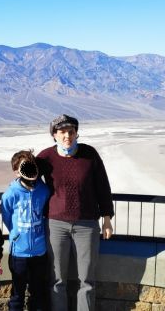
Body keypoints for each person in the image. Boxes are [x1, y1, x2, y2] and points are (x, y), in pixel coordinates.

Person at [37, 114, 114, 311]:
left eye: (71, 132)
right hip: (55, 224)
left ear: (76, 133)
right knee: (57, 279)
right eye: (62, 132)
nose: (67, 136)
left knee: (87, 280)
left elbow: (102, 187)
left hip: (86, 224)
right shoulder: (45, 157)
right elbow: (27, 178)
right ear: (54, 135)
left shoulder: (89, 155)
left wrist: (107, 218)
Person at [1, 149, 51, 311]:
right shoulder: (11, 193)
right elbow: (7, 215)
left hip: (39, 251)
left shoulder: (43, 191)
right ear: (17, 172)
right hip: (19, 253)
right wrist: (15, 233)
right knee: (17, 294)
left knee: (38, 292)